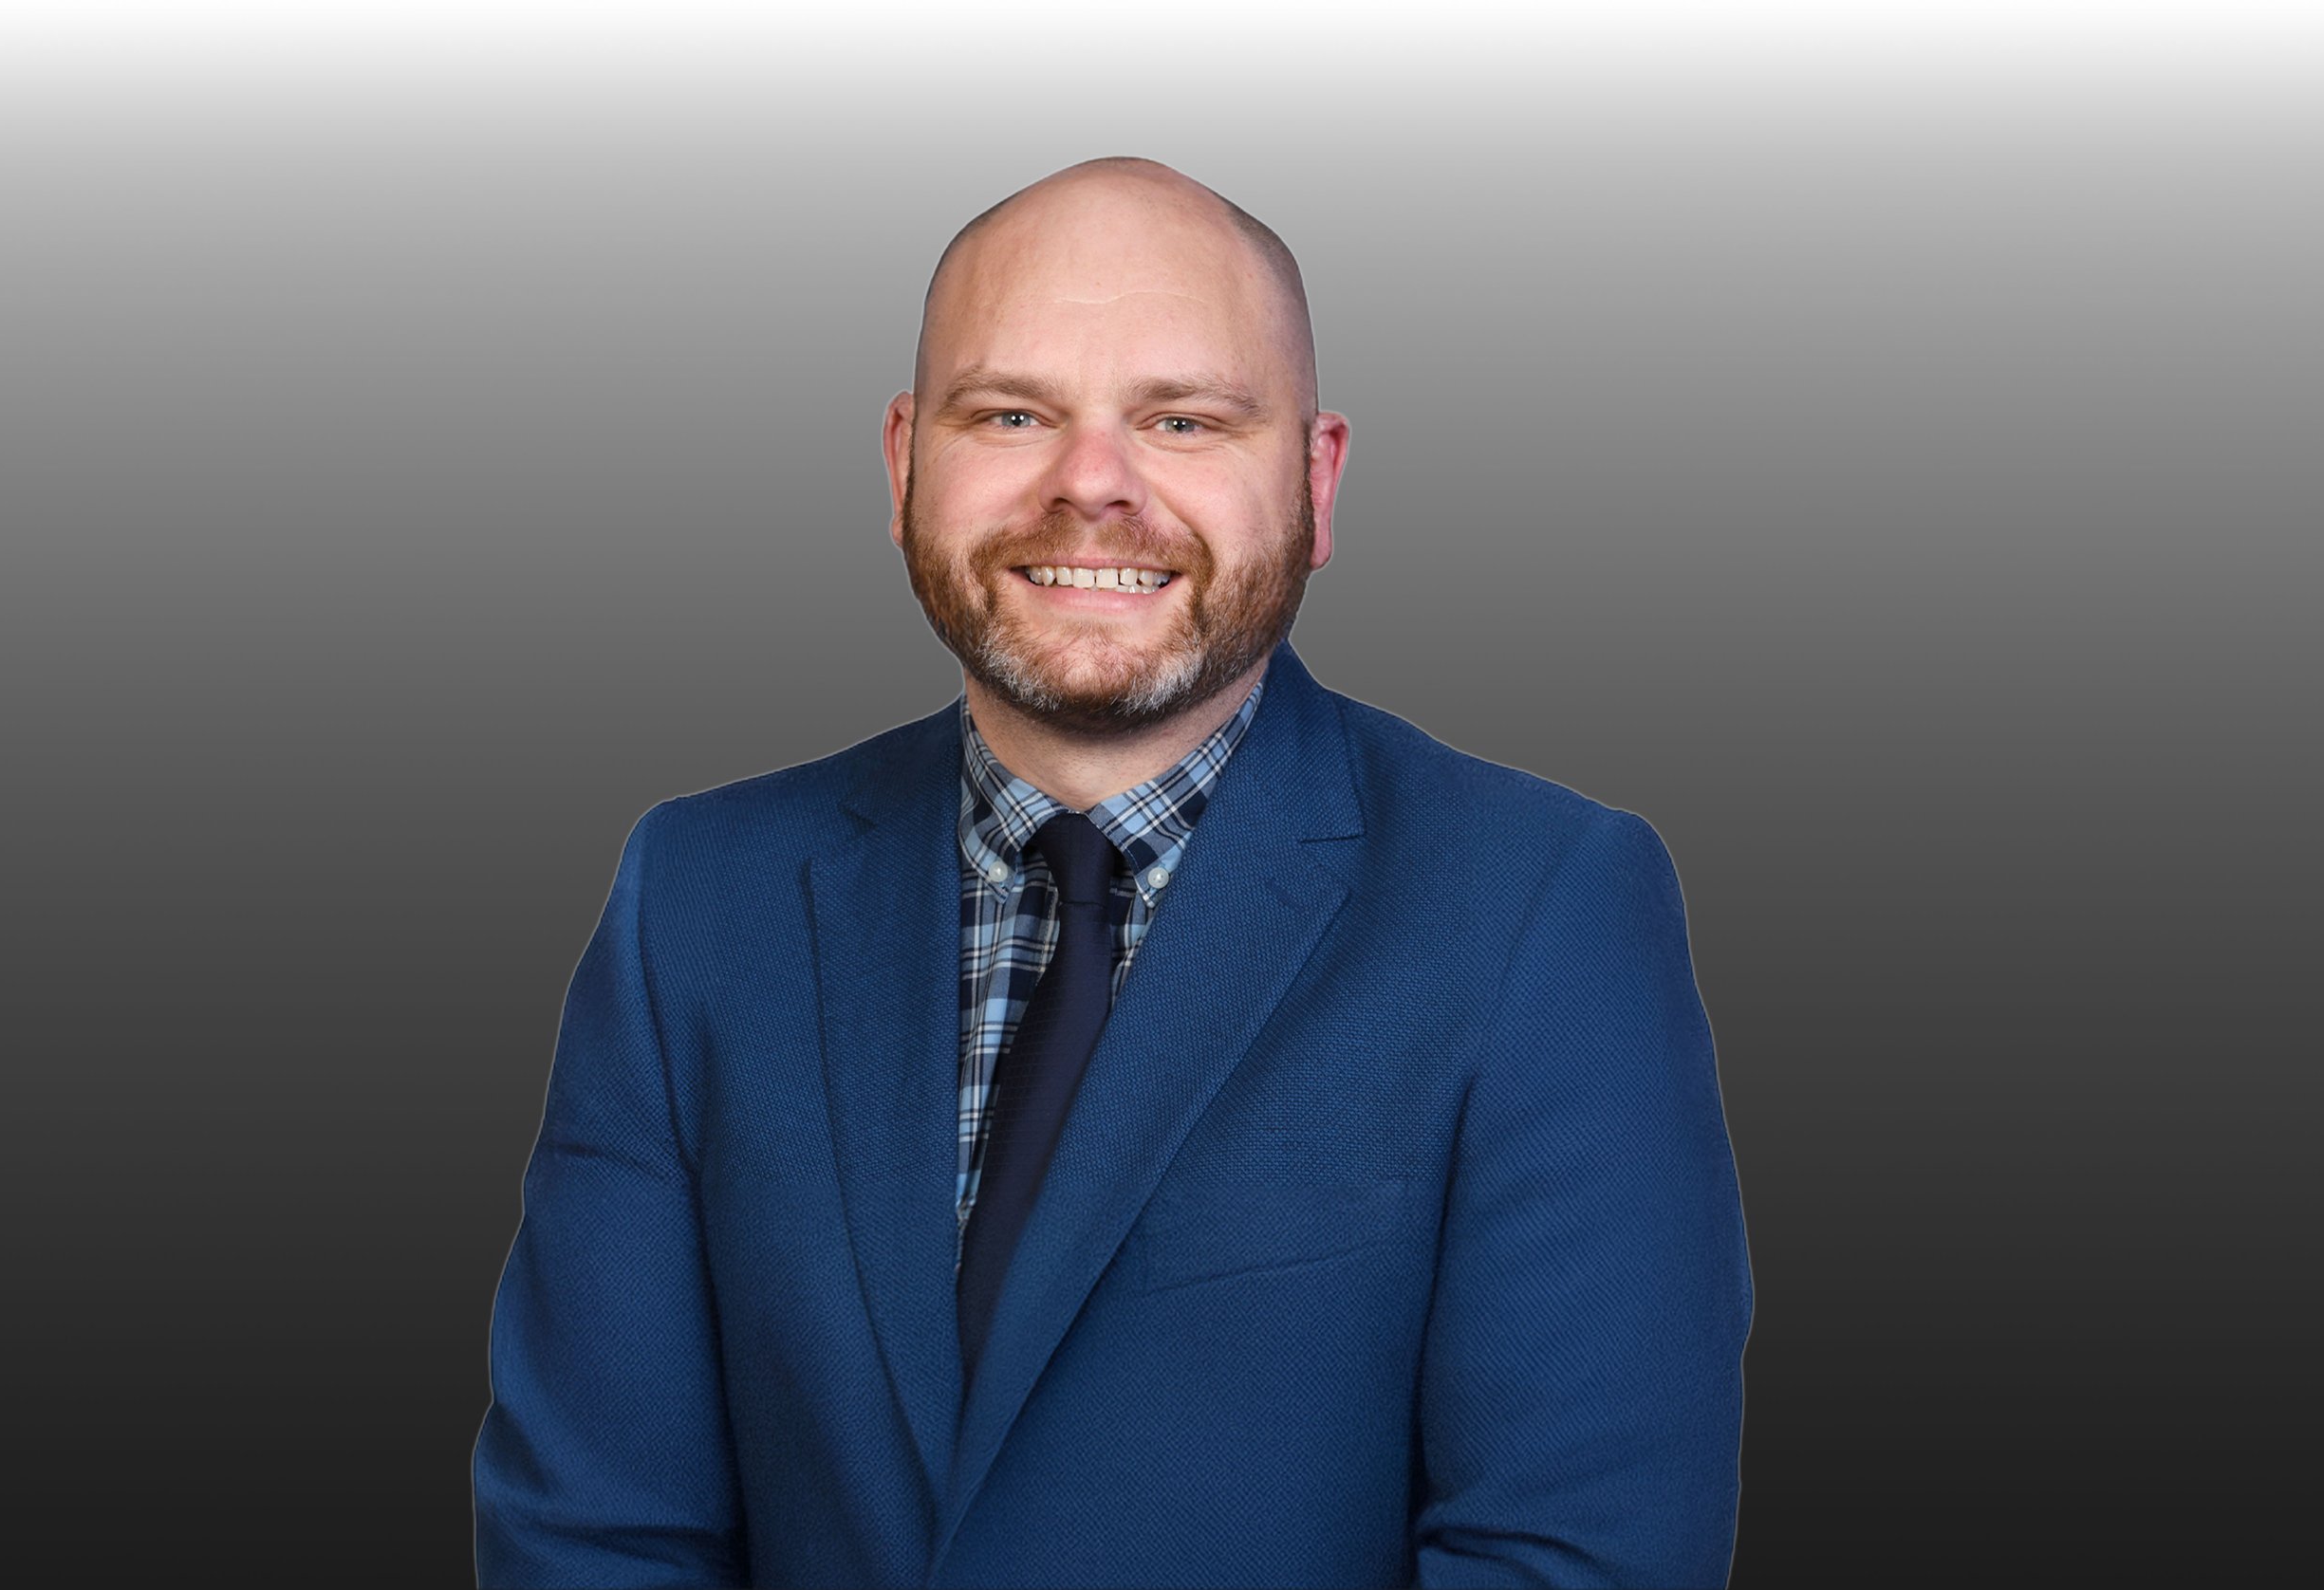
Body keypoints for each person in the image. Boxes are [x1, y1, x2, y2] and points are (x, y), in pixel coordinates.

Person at [473, 157, 1752, 1589]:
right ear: (905, 465)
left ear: (1316, 483)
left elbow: (1575, 1560)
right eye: (1011, 413)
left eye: (1185, 420)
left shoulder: (1545, 909)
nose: (1091, 482)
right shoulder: (695, 901)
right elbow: (592, 1539)